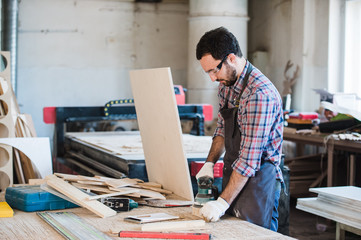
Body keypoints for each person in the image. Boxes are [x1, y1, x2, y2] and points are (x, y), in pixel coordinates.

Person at [195, 27, 284, 231]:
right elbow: (221, 129)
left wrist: (222, 203)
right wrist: (209, 163)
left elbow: (249, 159)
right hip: (235, 174)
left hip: (258, 181)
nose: (212, 78)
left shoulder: (259, 95)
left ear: (232, 58)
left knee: (255, 235)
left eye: (214, 70)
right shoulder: (226, 84)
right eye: (207, 72)